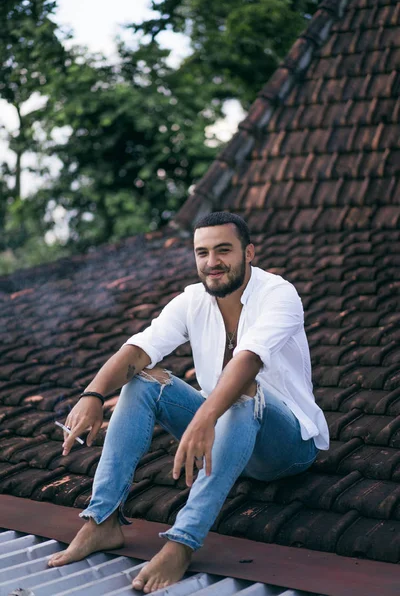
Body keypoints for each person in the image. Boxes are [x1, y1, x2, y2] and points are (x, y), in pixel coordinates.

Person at [48, 211, 330, 593]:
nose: (211, 262)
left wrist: (204, 417)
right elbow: (140, 349)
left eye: (223, 250)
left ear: (249, 253)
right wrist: (93, 394)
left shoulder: (279, 294)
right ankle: (102, 521)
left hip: (286, 447)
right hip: (225, 436)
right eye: (202, 252)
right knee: (143, 381)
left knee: (243, 387)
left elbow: (247, 361)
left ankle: (182, 541)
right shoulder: (193, 299)